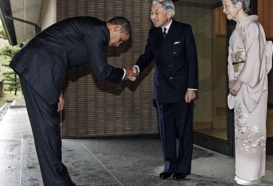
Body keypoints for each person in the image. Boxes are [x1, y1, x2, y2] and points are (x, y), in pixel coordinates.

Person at [9, 16, 136, 186]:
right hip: (38, 68)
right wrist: (125, 72)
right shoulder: (97, 30)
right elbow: (102, 70)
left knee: (49, 130)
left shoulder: (93, 32)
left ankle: (58, 182)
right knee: (47, 131)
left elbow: (63, 55)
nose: (118, 45)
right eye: (120, 40)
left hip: (44, 71)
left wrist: (58, 89)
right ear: (116, 28)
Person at [128, 0, 198, 180]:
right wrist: (136, 68)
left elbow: (192, 60)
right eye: (152, 12)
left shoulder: (184, 30)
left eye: (156, 12)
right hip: (162, 89)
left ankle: (182, 167)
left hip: (182, 89)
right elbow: (146, 56)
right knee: (166, 130)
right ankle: (169, 165)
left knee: (183, 130)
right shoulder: (153, 34)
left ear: (169, 13)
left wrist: (191, 87)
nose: (153, 16)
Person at [223, 0, 269, 185]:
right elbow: (232, 61)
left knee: (251, 130)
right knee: (243, 130)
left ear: (239, 4)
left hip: (250, 85)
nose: (224, 9)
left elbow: (255, 59)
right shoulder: (237, 30)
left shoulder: (253, 27)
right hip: (240, 84)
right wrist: (233, 80)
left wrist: (240, 80)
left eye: (226, 5)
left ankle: (250, 174)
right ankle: (244, 172)